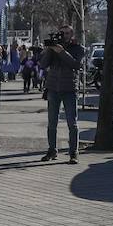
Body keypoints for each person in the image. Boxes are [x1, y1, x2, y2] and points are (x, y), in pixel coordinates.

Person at [40, 25, 84, 164]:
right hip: (53, 88)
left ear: (71, 34)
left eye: (66, 33)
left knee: (72, 123)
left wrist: (62, 52)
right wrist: (50, 50)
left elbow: (76, 65)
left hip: (70, 89)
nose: (63, 35)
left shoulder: (78, 48)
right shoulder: (53, 48)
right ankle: (52, 150)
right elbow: (43, 64)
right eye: (61, 33)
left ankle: (73, 152)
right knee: (52, 123)